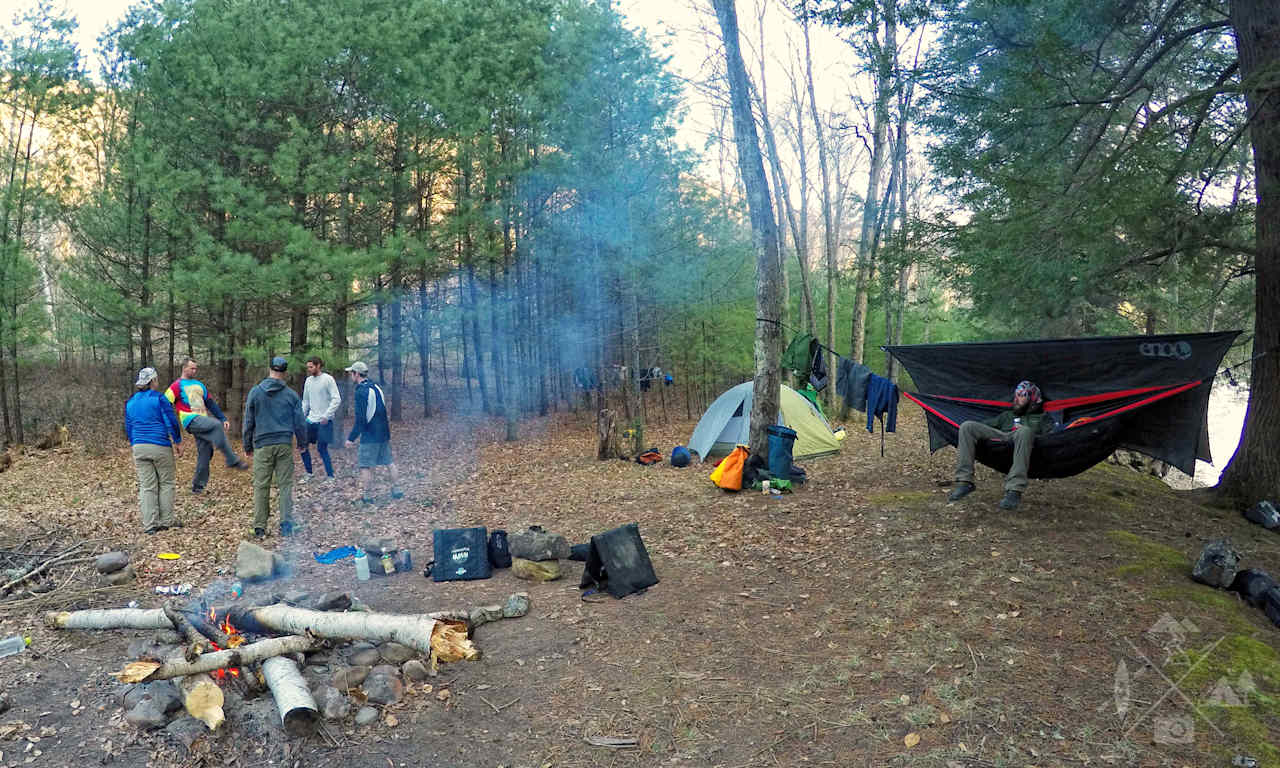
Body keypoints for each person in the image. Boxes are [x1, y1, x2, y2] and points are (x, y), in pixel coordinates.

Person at [948, 380, 1054, 511]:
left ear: (1033, 397)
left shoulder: (1042, 418)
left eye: (1023, 395)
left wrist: (1027, 430)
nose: (1018, 398)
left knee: (1024, 431)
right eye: (1017, 395)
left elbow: (1052, 438)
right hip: (1002, 438)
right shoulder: (1007, 415)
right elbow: (985, 426)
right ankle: (965, 481)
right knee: (967, 426)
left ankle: (1015, 490)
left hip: (1024, 441)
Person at [242, 356, 307, 538]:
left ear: (269, 369)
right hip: (284, 444)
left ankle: (260, 527)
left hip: (263, 445)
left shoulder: (255, 392)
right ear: (285, 372)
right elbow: (300, 422)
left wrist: (247, 444)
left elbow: (248, 421)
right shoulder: (291, 395)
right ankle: (286, 524)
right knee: (285, 485)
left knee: (261, 485)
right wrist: (302, 443)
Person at [165, 358, 248, 493]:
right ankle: (231, 459)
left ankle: (197, 487)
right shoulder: (176, 386)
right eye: (192, 368)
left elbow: (210, 403)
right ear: (184, 368)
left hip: (202, 420)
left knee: (205, 453)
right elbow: (165, 404)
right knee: (215, 425)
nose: (194, 371)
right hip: (190, 420)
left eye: (196, 368)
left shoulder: (199, 384)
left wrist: (222, 417)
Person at [125, 367, 184, 534]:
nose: (158, 382)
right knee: (166, 483)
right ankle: (166, 521)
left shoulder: (131, 402)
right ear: (152, 382)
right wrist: (178, 441)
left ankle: (150, 524)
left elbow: (129, 427)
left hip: (139, 446)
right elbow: (170, 421)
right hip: (159, 445)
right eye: (156, 379)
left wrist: (134, 442)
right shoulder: (159, 399)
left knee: (147, 486)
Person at [343, 361, 403, 504]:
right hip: (383, 433)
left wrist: (351, 438)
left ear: (357, 374)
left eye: (352, 373)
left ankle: (367, 496)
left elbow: (361, 419)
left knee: (365, 465)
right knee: (389, 462)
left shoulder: (361, 392)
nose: (351, 375)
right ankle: (397, 489)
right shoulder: (376, 387)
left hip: (370, 435)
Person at [300, 356, 341, 483]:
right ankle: (309, 473)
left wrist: (327, 415)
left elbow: (336, 399)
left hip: (324, 421)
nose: (309, 369)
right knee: (302, 446)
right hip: (310, 420)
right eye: (308, 367)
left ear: (318, 366)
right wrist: (302, 417)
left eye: (311, 367)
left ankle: (330, 476)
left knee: (322, 449)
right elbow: (305, 401)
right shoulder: (308, 381)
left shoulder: (328, 379)